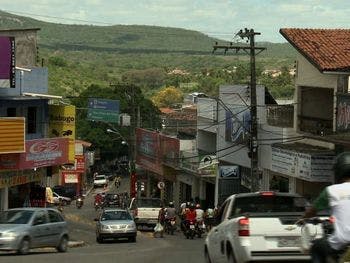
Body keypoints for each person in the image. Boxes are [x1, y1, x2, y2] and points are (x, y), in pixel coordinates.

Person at [302, 152, 350, 263]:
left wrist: (303, 218)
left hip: (342, 241)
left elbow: (312, 211)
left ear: (338, 172)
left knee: (316, 247)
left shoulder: (331, 190)